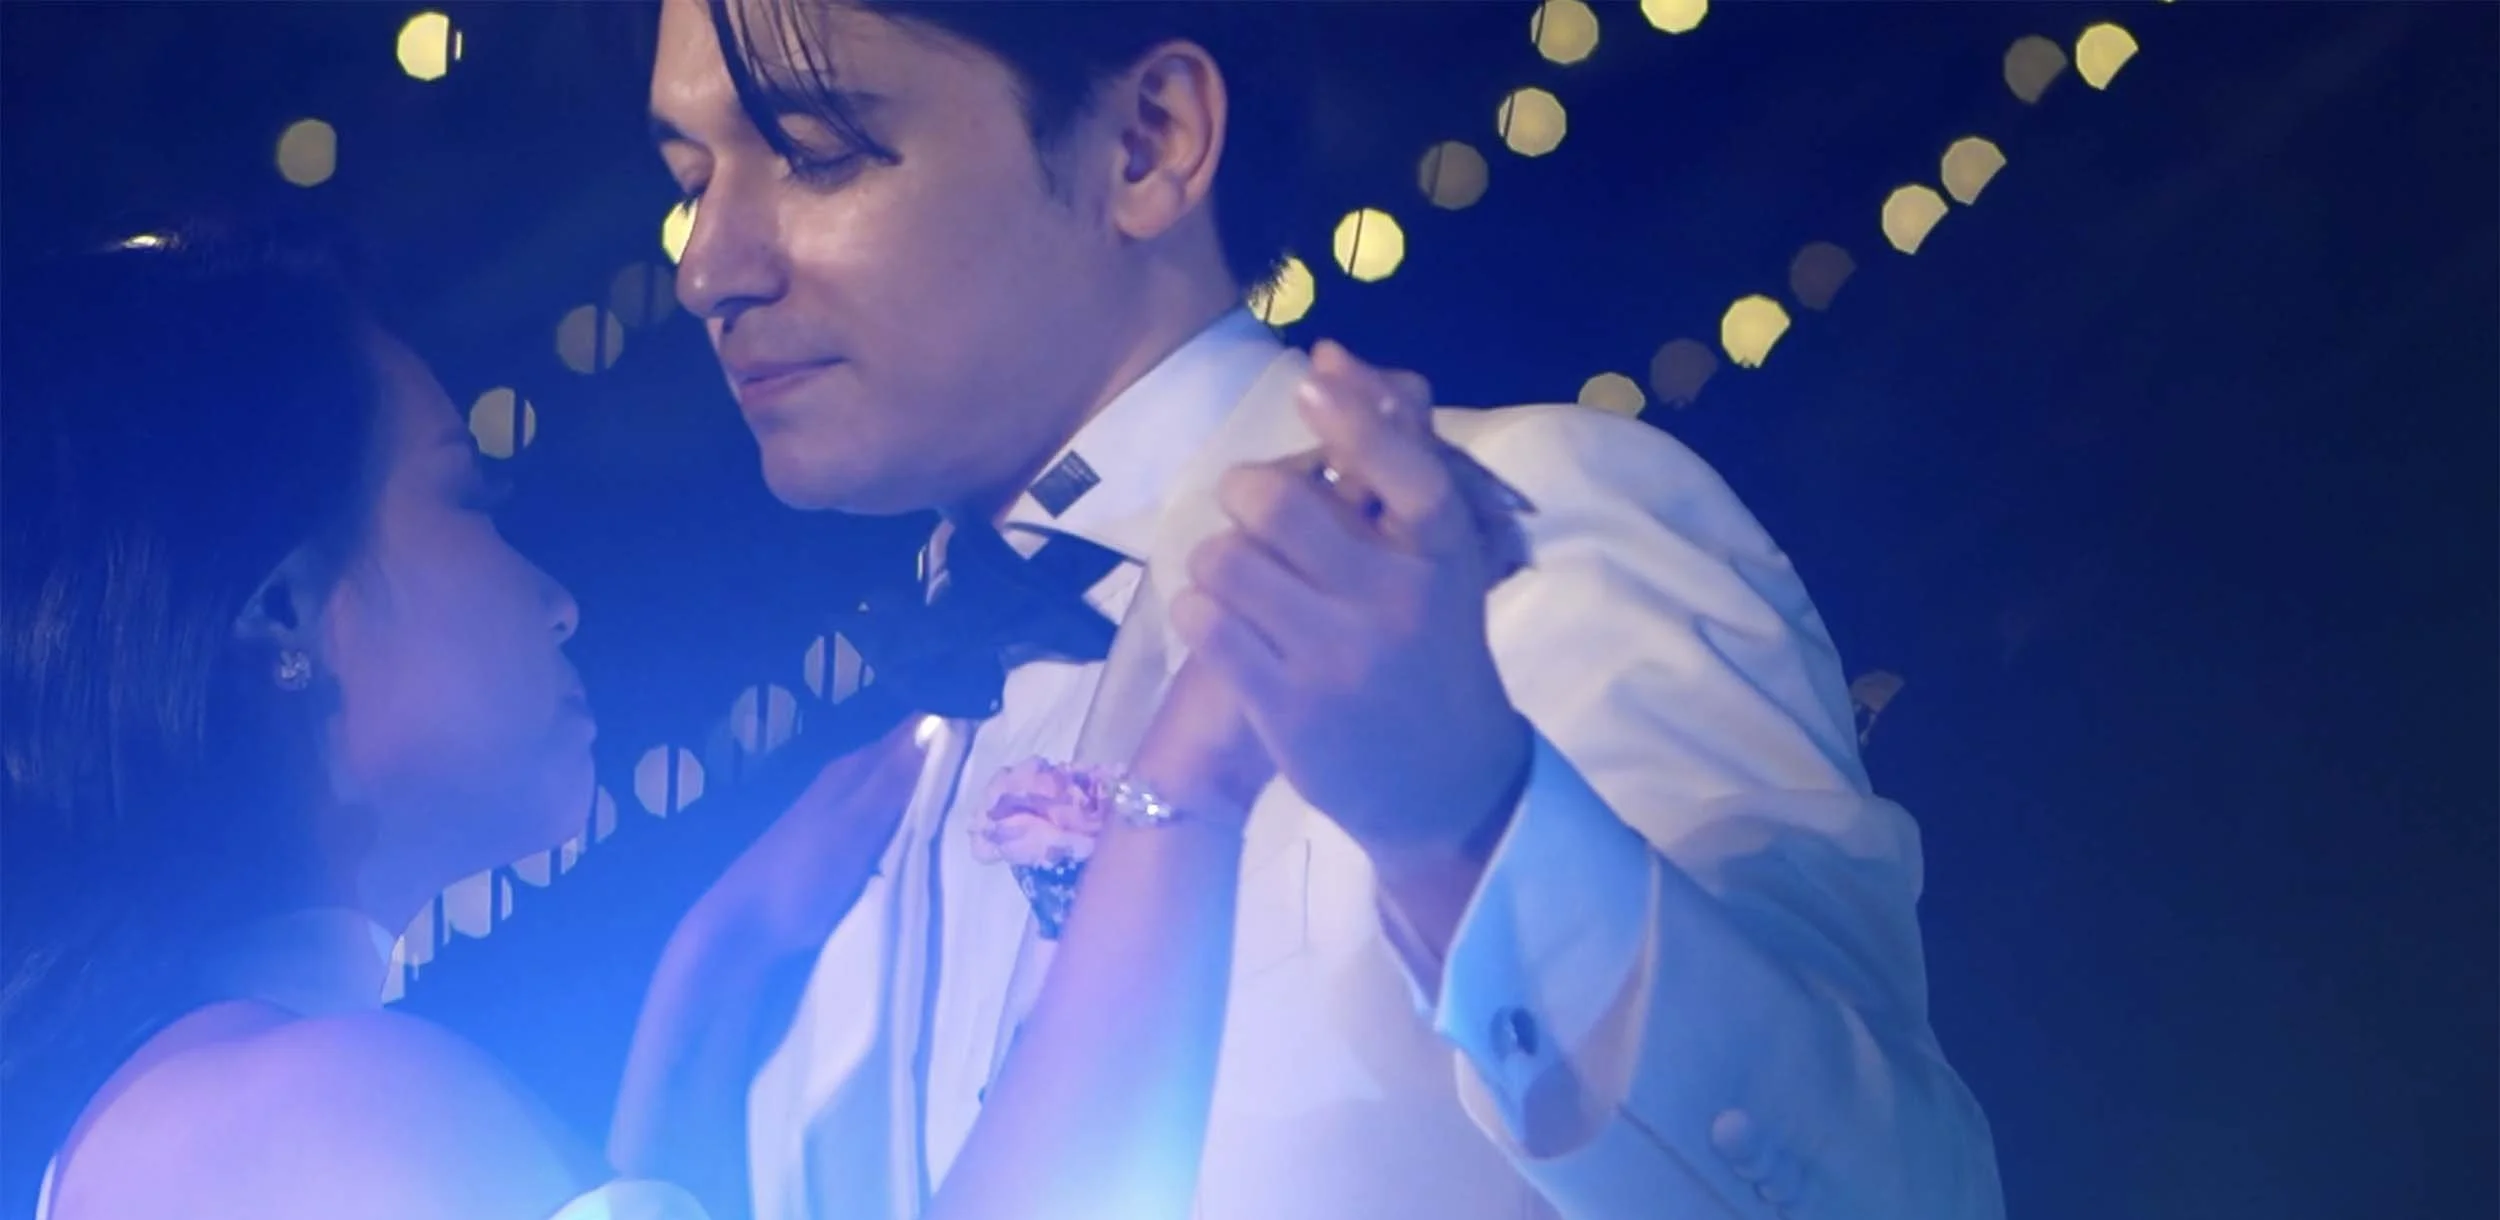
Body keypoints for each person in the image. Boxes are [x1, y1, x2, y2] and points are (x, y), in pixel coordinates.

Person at [642, 2, 2009, 1218]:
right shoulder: (830, 870)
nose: (708, 267)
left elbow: (1895, 1196)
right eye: (691, 180)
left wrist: (1468, 832)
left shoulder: (1507, 533)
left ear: (1148, 142)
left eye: (813, 150)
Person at [0, 227, 1298, 1220]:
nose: (557, 601)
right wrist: (1181, 794)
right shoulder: (315, 1111)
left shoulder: (164, 1124)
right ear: (283, 611)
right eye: (472, 499)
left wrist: (709, 986)